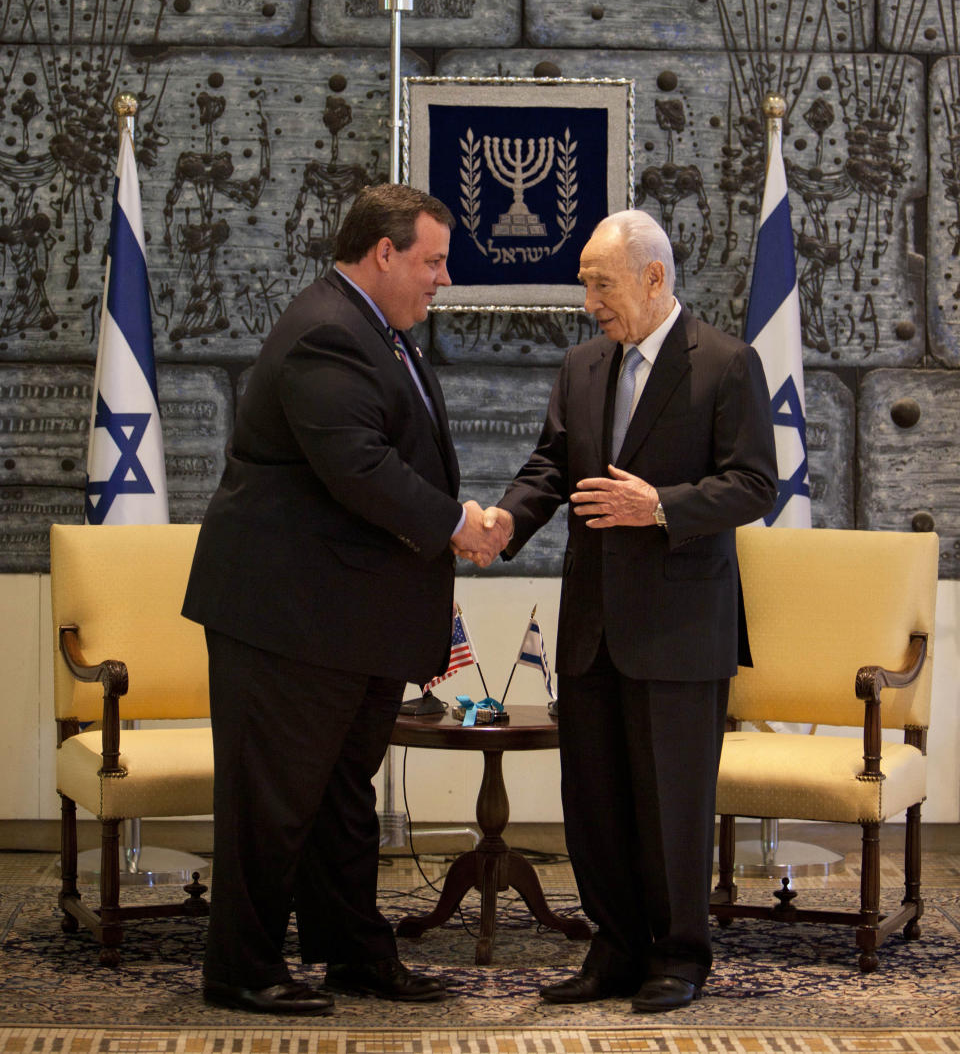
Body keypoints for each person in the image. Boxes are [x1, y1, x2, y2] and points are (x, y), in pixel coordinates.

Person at [182, 183, 506, 1016]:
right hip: (288, 619)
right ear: (384, 252)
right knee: (272, 805)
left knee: (337, 799)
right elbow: (359, 467)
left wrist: (449, 522)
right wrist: (456, 526)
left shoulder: (376, 330)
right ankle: (241, 969)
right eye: (431, 261)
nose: (442, 278)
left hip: (342, 621)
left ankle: (355, 955)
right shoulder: (328, 332)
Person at [479, 209, 777, 1013]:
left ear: (654, 277)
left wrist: (664, 507)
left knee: (671, 804)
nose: (589, 302)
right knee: (598, 801)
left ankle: (678, 957)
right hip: (592, 626)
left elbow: (755, 483)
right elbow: (552, 463)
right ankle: (613, 950)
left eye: (600, 284)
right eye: (585, 284)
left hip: (680, 630)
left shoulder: (725, 363)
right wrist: (508, 521)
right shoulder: (581, 365)